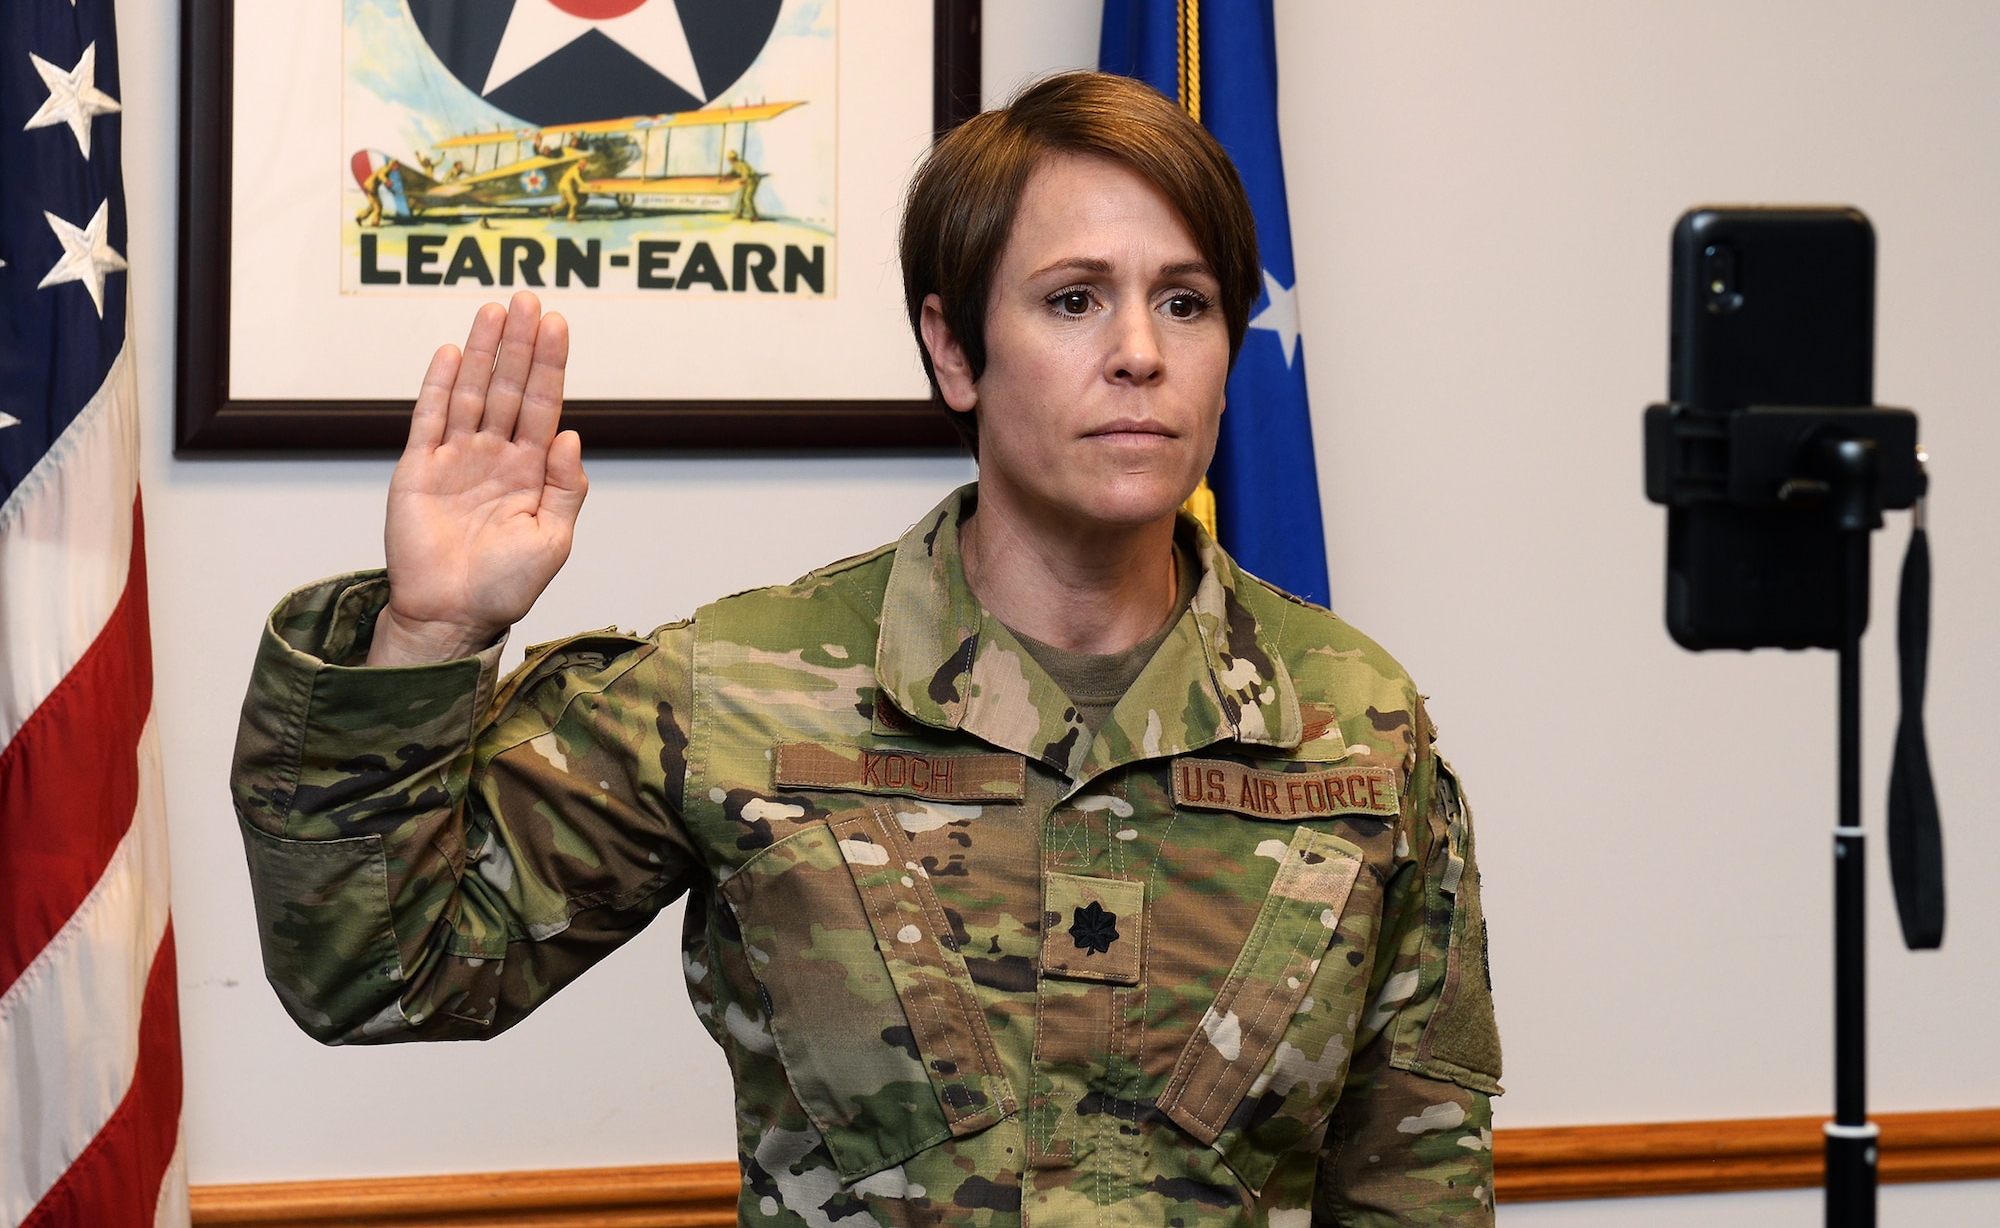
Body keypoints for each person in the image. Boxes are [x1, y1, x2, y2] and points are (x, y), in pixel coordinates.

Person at [232, 72, 1501, 1227]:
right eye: (1074, 300)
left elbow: (1411, 1186)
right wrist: (430, 634)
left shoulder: (1355, 723)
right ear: (954, 349)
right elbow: (373, 975)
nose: (1139, 351)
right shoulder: (738, 690)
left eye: (1186, 302)